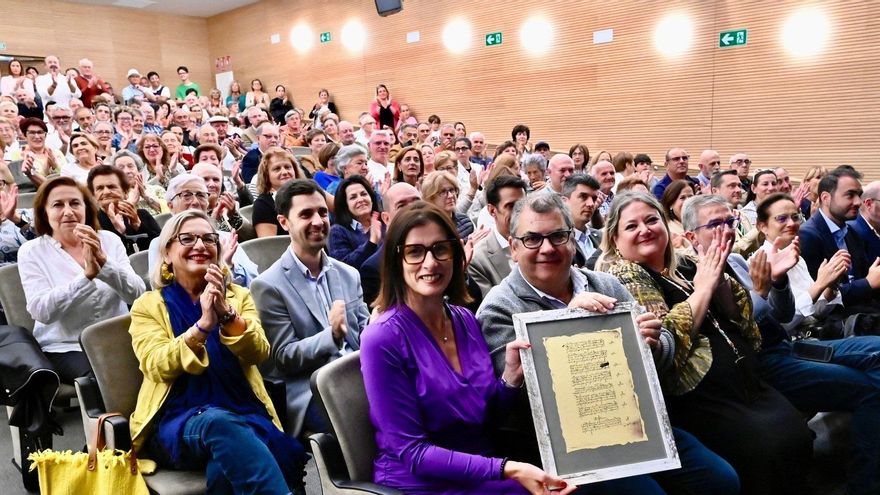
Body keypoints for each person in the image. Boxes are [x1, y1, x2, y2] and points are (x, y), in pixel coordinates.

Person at [597, 192, 813, 495]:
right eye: (631, 227)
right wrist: (703, 288)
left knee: (797, 434)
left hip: (744, 383)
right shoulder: (624, 275)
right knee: (766, 449)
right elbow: (664, 344)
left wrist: (720, 276)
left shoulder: (686, 263)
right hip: (699, 399)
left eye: (651, 220)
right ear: (615, 239)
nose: (645, 230)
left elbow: (744, 322)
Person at [361, 201, 577, 495]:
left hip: (481, 468)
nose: (430, 263)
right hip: (421, 484)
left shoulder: (464, 319)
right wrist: (507, 468)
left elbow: (485, 416)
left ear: (455, 254)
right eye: (414, 252)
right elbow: (412, 452)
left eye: (440, 249)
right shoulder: (382, 338)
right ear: (395, 262)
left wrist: (510, 379)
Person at [709, 192, 880, 495]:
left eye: (728, 222)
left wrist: (813, 289)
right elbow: (773, 326)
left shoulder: (759, 258)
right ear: (761, 226)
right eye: (781, 218)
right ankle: (864, 483)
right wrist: (801, 287)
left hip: (795, 342)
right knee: (874, 387)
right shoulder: (750, 260)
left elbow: (786, 315)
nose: (791, 223)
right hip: (778, 354)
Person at [129, 209, 308, 494]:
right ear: (166, 253)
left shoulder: (238, 296)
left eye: (209, 239)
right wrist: (201, 328)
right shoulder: (148, 305)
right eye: (187, 238)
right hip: (178, 419)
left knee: (225, 471)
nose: (200, 246)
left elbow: (259, 353)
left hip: (243, 407)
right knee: (218, 423)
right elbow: (155, 364)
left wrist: (227, 317)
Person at [251, 179, 368, 438]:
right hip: (314, 389)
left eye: (322, 212)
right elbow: (282, 357)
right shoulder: (269, 285)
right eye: (306, 214)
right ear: (284, 222)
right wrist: (332, 336)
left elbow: (364, 332)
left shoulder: (348, 274)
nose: (318, 221)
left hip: (362, 376)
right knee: (375, 422)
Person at [19, 176, 145, 383]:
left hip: (120, 339)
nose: (68, 211)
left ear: (86, 208)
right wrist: (86, 277)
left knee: (161, 366)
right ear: (44, 212)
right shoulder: (32, 252)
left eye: (75, 203)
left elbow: (138, 294)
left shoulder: (109, 240)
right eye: (58, 205)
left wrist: (105, 264)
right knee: (108, 379)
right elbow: (41, 312)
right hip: (66, 346)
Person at [147, 174, 259, 287]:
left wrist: (230, 266)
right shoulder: (161, 243)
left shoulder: (226, 238)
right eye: (186, 195)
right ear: (170, 206)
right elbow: (159, 285)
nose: (195, 201)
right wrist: (219, 268)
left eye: (201, 195)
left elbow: (254, 281)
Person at [468, 175, 526, 297]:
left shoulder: (542, 244)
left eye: (522, 205)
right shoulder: (478, 260)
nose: (519, 211)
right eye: (511, 206)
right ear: (492, 211)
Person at [87, 165, 160, 254]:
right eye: (100, 188)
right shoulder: (91, 223)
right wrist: (120, 232)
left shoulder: (142, 215)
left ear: (125, 192)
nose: (106, 192)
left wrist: (138, 225)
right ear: (93, 195)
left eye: (111, 186)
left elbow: (161, 248)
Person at [328, 175, 382, 269]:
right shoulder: (338, 231)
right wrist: (371, 243)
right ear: (345, 205)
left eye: (364, 194)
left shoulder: (384, 222)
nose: (360, 200)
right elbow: (343, 268)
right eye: (353, 197)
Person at [252, 147, 300, 237]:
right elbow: (271, 246)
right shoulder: (263, 204)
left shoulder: (308, 195)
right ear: (267, 175)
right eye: (277, 169)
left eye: (288, 167)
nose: (284, 172)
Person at [110, 149, 167, 215]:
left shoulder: (157, 189)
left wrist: (145, 196)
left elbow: (170, 211)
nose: (127, 171)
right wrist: (132, 202)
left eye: (130, 166)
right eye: (121, 168)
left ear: (138, 170)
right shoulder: (113, 196)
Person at [423, 171, 474, 239]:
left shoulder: (465, 222)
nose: (450, 196)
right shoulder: (424, 228)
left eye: (452, 190)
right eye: (443, 192)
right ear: (430, 197)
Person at [660, 179, 696, 252]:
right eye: (682, 198)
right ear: (670, 203)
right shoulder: (668, 231)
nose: (688, 201)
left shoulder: (701, 223)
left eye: (691, 196)